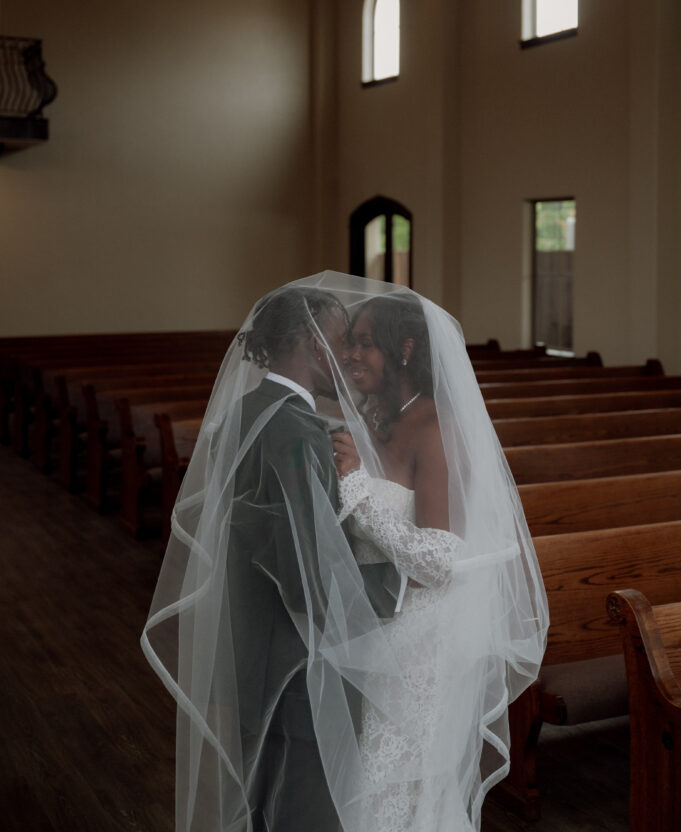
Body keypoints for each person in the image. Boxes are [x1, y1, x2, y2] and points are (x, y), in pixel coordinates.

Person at [142, 273, 548, 832]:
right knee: (326, 792)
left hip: (404, 636)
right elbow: (300, 552)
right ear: (312, 344)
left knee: (377, 789)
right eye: (346, 341)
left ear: (403, 349)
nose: (352, 355)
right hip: (348, 637)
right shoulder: (352, 423)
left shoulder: (428, 424)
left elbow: (436, 557)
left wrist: (357, 494)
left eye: (365, 342)